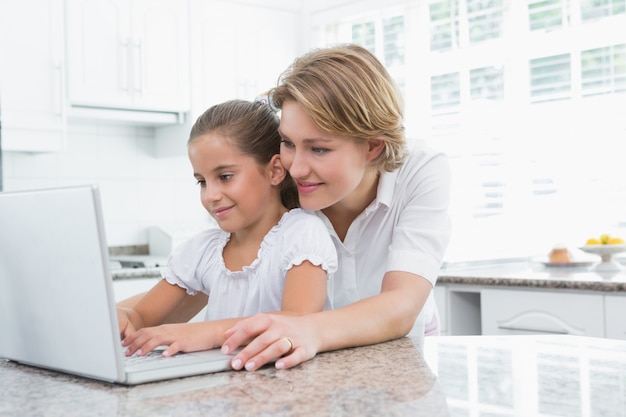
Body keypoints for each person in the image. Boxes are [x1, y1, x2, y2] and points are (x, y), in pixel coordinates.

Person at [220, 44, 451, 371]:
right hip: (312, 366)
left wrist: (307, 329)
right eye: (288, 143)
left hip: (403, 364)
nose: (296, 168)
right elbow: (214, 266)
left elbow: (401, 305)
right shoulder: (282, 179)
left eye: (319, 149)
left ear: (372, 146)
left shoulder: (421, 170)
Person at [117, 99, 337, 358]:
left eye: (225, 177)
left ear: (275, 171)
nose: (210, 195)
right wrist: (121, 318)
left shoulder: (301, 234)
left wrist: (203, 333)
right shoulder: (204, 251)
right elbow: (142, 315)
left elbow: (297, 321)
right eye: (201, 182)